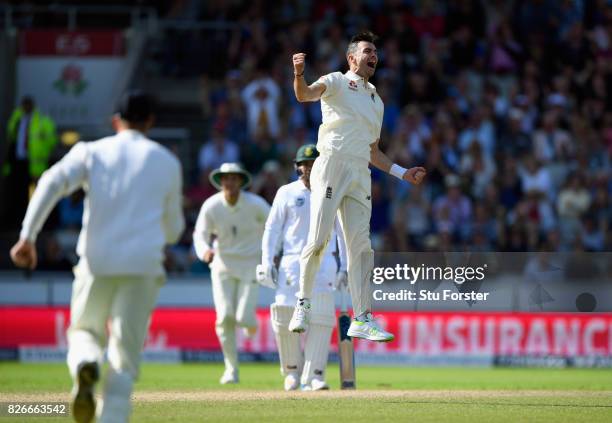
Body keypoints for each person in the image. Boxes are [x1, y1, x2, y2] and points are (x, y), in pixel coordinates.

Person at [9, 91, 185, 423]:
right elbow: (174, 230)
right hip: (143, 268)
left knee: (85, 332)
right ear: (150, 121)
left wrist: (27, 236)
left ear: (115, 120)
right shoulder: (167, 161)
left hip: (97, 263)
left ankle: (86, 362)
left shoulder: (92, 151)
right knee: (124, 359)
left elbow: (50, 181)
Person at [289, 31, 426, 341]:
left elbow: (373, 152)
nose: (373, 55)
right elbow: (304, 95)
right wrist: (299, 74)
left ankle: (362, 317)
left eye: (375, 51)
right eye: (367, 50)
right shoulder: (336, 81)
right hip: (332, 164)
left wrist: (403, 173)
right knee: (319, 239)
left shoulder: (376, 100)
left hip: (359, 172)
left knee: (361, 248)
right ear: (352, 58)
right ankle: (303, 302)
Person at [257, 144, 347, 391]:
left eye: (312, 164)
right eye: (304, 164)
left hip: (324, 261)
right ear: (297, 166)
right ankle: (292, 373)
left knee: (320, 317)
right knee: (285, 315)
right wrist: (266, 260)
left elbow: (342, 233)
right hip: (291, 263)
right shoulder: (286, 192)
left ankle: (315, 375)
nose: (307, 168)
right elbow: (272, 229)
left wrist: (345, 267)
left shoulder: (333, 192)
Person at [193, 162, 270, 384]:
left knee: (244, 318)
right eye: (226, 178)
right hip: (222, 265)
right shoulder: (212, 205)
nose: (229, 182)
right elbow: (200, 233)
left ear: (241, 181)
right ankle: (231, 369)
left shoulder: (255, 204)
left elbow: (274, 225)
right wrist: (204, 251)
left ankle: (249, 322)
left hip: (250, 266)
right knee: (224, 317)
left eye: (234, 178)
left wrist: (271, 253)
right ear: (220, 181)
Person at [2, 96, 58, 230]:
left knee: (38, 195)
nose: (25, 108)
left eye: (28, 105)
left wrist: (42, 154)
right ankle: (19, 222)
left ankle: (40, 224)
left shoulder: (42, 121)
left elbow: (51, 142)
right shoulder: (17, 119)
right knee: (19, 195)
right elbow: (11, 136)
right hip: (19, 163)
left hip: (36, 165)